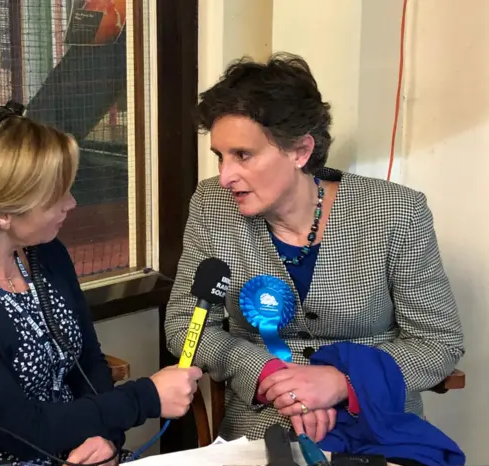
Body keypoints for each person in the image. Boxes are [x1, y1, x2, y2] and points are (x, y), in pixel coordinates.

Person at [0, 105, 202, 466]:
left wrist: (105, 440)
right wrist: (146, 397)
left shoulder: (44, 253)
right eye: (56, 197)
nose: (71, 204)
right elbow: (13, 427)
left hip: (78, 458)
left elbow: (89, 365)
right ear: (1, 215)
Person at [165, 53, 464, 445]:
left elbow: (438, 341)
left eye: (243, 155)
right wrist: (270, 375)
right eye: (219, 156)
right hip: (262, 425)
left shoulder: (397, 213)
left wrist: (342, 382)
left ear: (301, 151)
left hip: (376, 423)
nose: (224, 177)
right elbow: (187, 324)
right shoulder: (211, 206)